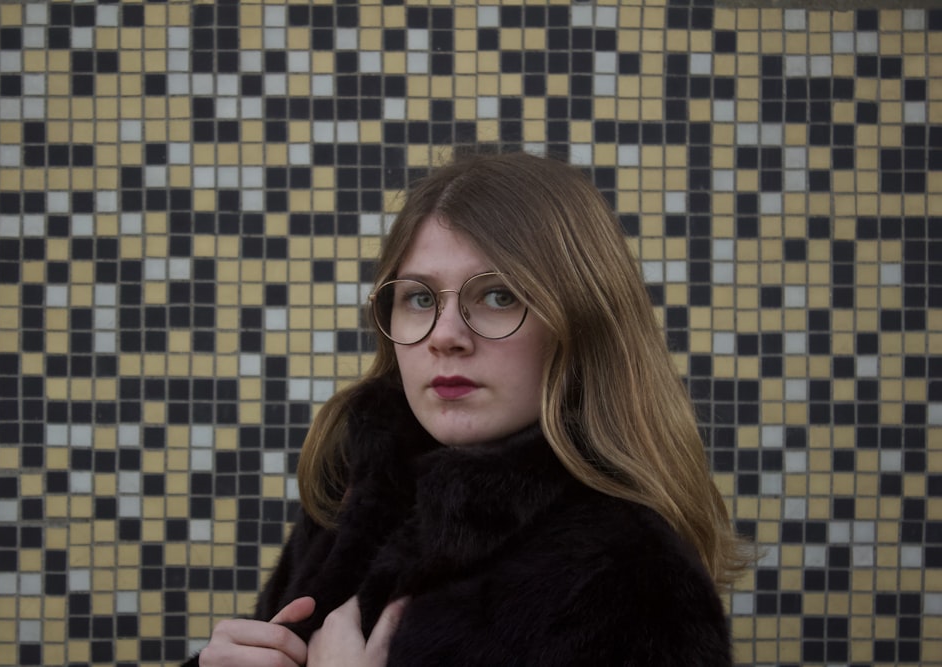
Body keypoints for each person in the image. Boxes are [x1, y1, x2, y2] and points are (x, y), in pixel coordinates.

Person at [184, 151, 752, 666]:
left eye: (499, 295)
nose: (446, 335)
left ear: (580, 324)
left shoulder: (634, 577)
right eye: (421, 298)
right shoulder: (357, 495)